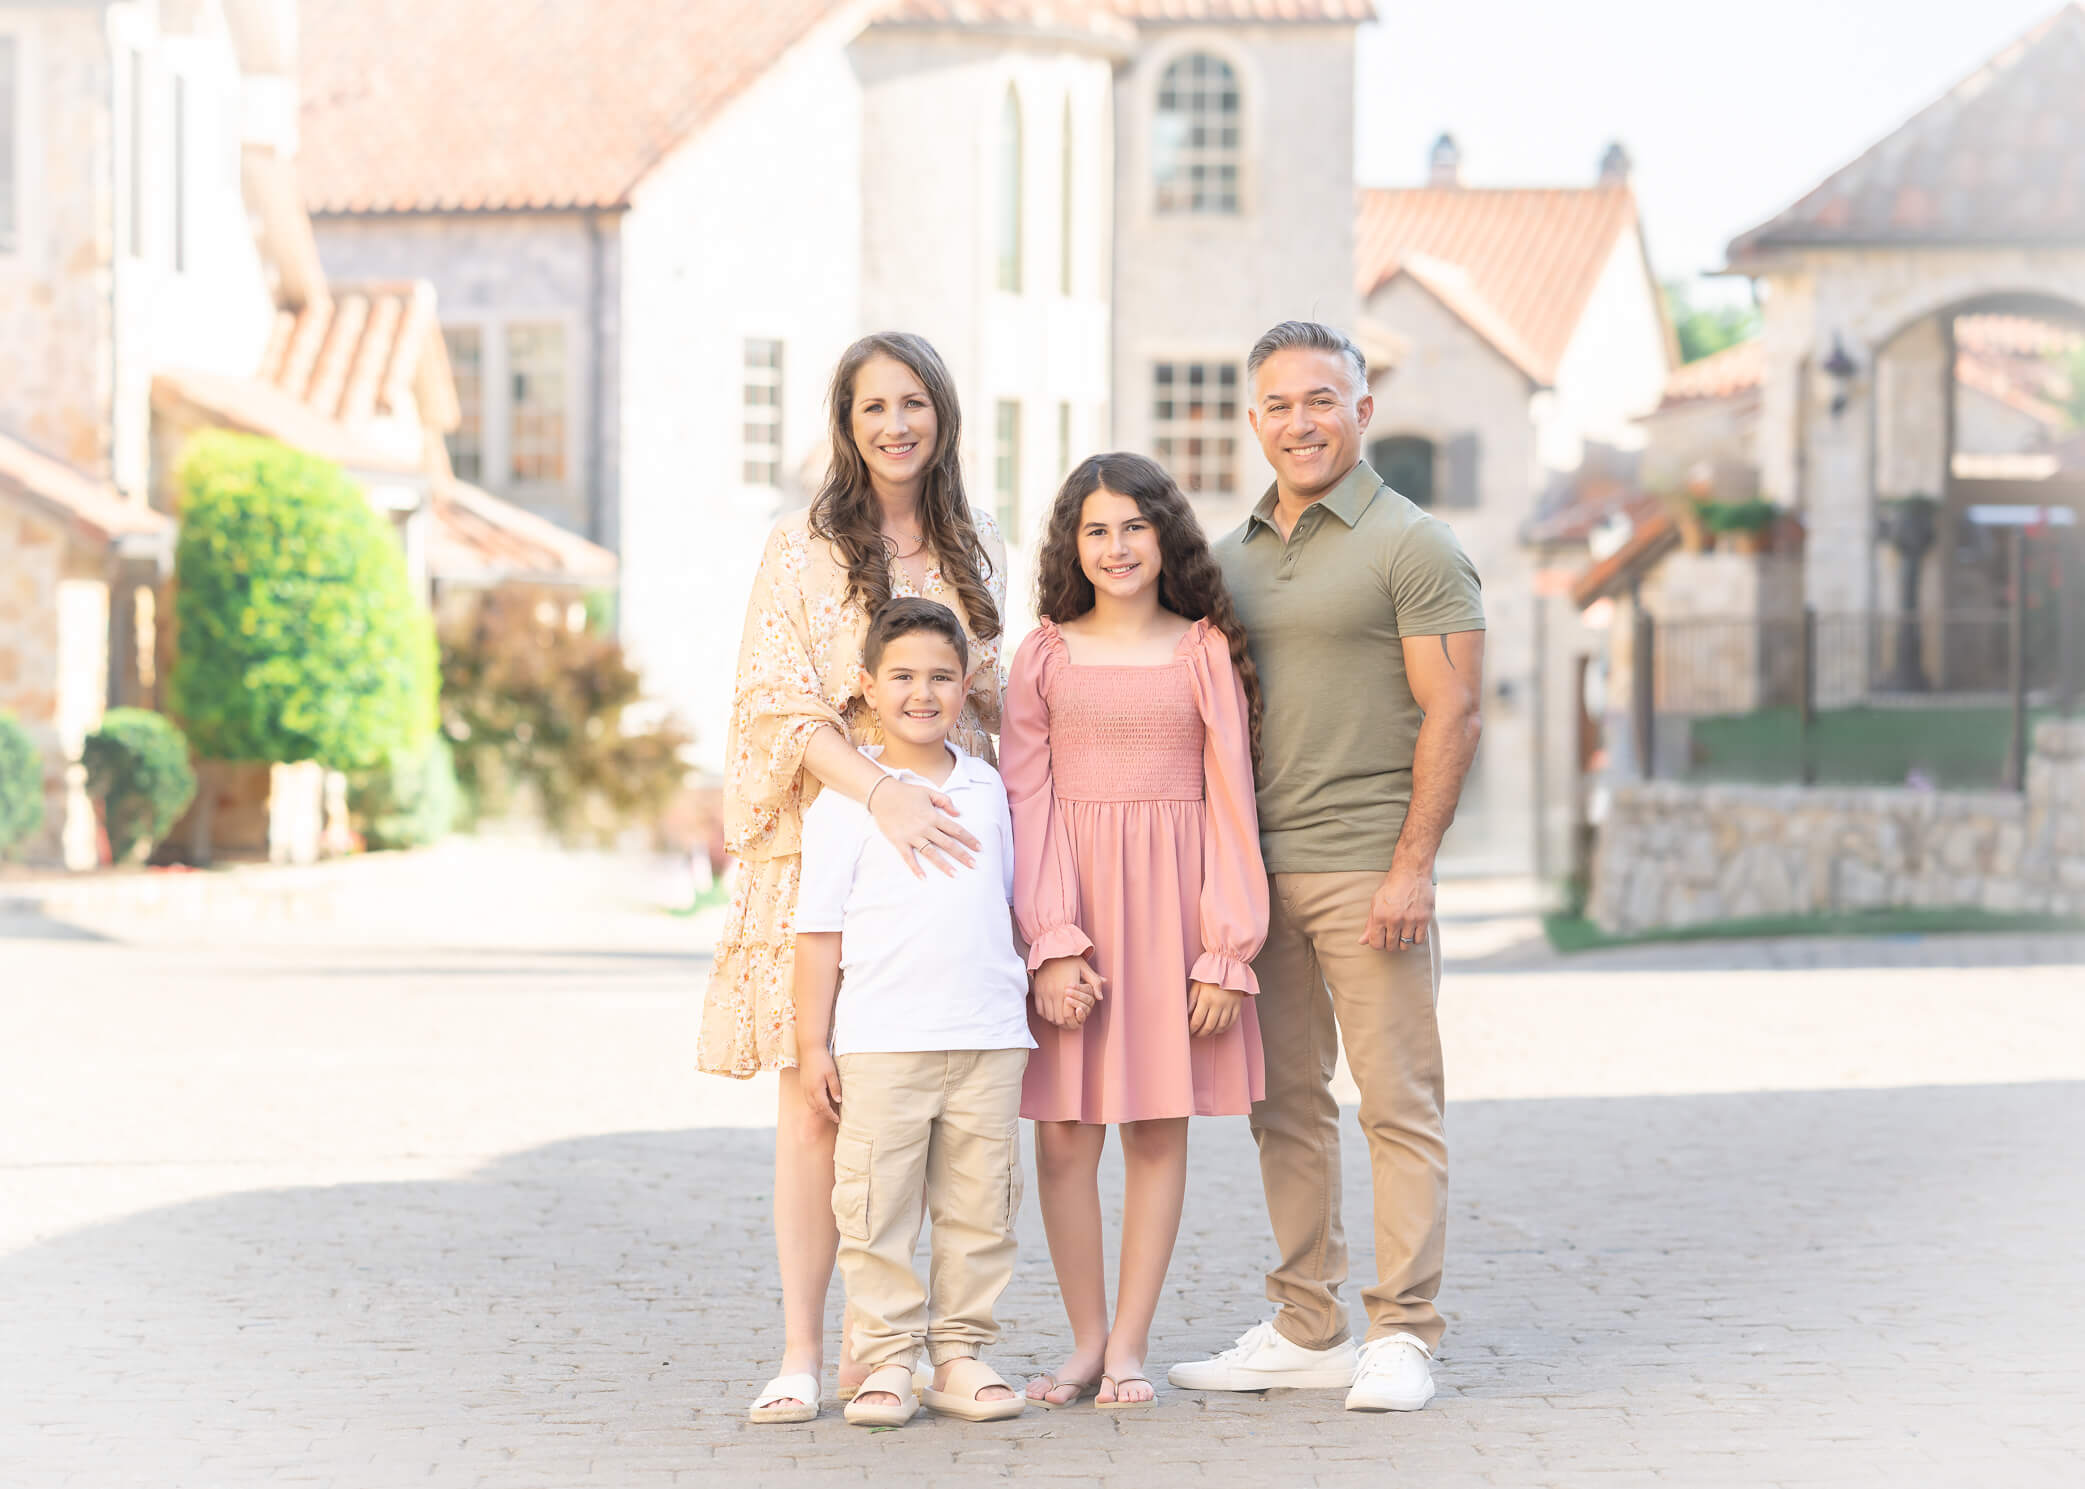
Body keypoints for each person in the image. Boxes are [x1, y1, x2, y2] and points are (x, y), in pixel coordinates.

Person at [1169, 321, 1484, 1413]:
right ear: (1253, 421)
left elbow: (1455, 707)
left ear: (1361, 409)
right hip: (1261, 881)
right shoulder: (1231, 556)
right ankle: (1308, 1325)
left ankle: (1402, 1332)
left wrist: (1413, 867)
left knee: (1398, 1104)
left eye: (1322, 399)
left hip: (1368, 871)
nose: (1300, 421)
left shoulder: (1415, 544)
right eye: (1278, 404)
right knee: (1285, 1106)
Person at [702, 333, 1008, 1425]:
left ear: (942, 417)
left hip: (945, 862)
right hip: (830, 842)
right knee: (820, 1107)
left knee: (945, 1121)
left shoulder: (976, 551)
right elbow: (773, 704)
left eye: (914, 402)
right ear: (846, 420)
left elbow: (994, 705)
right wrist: (876, 793)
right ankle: (802, 1350)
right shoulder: (800, 547)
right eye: (874, 405)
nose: (895, 424)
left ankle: (925, 1348)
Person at [1004, 453, 1269, 1411]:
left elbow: (1231, 801)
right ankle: (1080, 1339)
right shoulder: (1042, 654)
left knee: (1156, 1128)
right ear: (1072, 545)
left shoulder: (1201, 649)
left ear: (1165, 537)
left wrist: (1223, 951)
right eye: (1095, 530)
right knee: (1067, 1137)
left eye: (1133, 527)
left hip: (1174, 913)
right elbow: (1023, 799)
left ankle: (1127, 1345)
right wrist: (1052, 938)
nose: (1116, 548)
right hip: (1074, 904)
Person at [792, 598, 1034, 1428]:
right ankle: (885, 1359)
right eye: (901, 676)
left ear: (966, 685)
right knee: (875, 1206)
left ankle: (958, 1354)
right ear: (866, 686)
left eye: (940, 675)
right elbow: (818, 934)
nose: (922, 693)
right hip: (881, 1043)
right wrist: (812, 1044)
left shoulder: (991, 789)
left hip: (987, 1035)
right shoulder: (845, 801)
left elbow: (1009, 902)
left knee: (980, 1205)